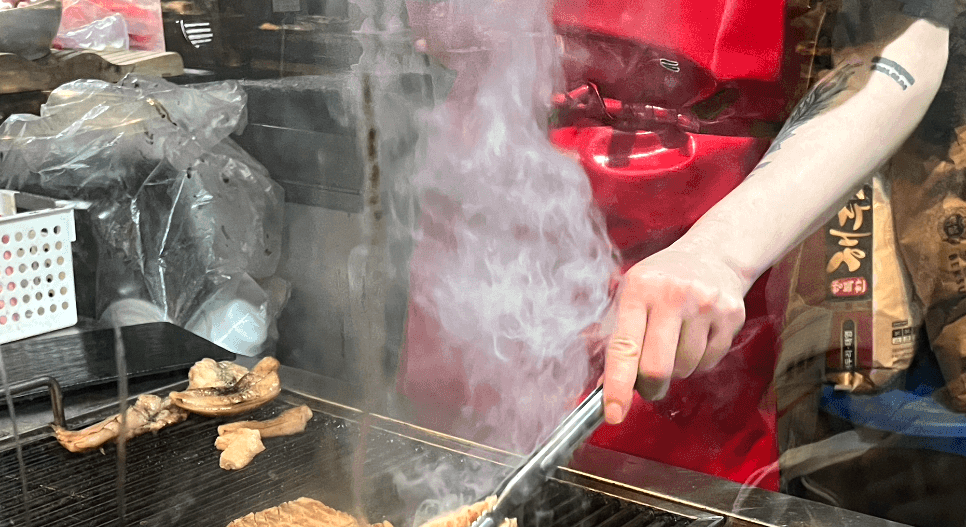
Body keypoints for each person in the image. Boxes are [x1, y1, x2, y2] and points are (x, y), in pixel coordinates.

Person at [400, 0, 954, 490]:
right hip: (477, 185)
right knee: (434, 473)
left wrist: (721, 253)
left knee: (659, 512)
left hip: (692, 222)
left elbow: (908, 38)